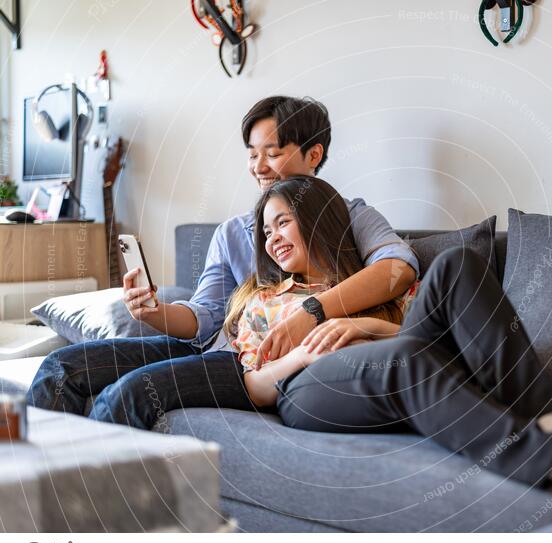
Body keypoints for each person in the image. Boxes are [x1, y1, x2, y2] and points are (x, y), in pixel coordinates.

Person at [26, 96, 419, 426]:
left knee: (131, 394)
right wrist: (154, 312)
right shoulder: (234, 232)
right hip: (208, 348)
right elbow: (205, 316)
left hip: (248, 362)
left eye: (273, 153)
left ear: (313, 154)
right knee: (61, 368)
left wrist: (312, 313)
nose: (258, 167)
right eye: (252, 155)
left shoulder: (350, 217)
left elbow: (397, 270)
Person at [232, 175, 552, 495]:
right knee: (402, 359)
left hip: (395, 362)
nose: (273, 239)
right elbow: (252, 385)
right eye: (266, 232)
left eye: (283, 222)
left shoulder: (372, 282)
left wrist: (364, 324)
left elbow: (419, 338)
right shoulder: (265, 301)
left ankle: (548, 420)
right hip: (305, 391)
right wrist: (304, 352)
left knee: (457, 264)